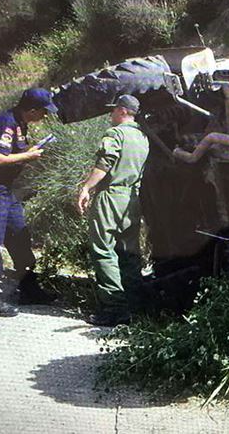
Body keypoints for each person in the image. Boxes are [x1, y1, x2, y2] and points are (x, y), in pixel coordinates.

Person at [0, 88, 58, 317]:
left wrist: (29, 151)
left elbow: (10, 155)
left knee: (19, 235)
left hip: (4, 191)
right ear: (33, 110)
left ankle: (28, 288)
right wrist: (28, 156)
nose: (45, 116)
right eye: (43, 112)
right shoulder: (6, 123)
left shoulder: (19, 122)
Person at [77, 94, 150, 326]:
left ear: (122, 111)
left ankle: (113, 307)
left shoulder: (116, 134)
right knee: (129, 252)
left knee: (103, 250)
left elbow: (105, 163)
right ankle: (135, 305)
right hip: (132, 199)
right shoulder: (142, 137)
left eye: (113, 111)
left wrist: (87, 187)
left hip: (111, 196)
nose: (111, 115)